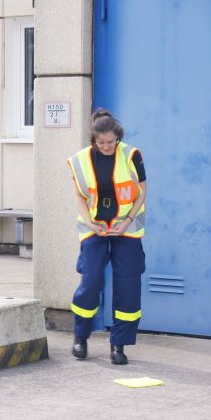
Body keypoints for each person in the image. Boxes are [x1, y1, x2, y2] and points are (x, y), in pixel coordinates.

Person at [67, 109, 147, 365]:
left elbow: (141, 193)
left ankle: (118, 345)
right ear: (93, 139)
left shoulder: (132, 155)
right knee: (90, 282)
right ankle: (80, 336)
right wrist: (89, 220)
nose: (106, 147)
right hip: (95, 229)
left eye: (111, 142)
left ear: (118, 137)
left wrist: (127, 221)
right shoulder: (81, 160)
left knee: (128, 285)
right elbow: (79, 194)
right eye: (101, 143)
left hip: (127, 230)